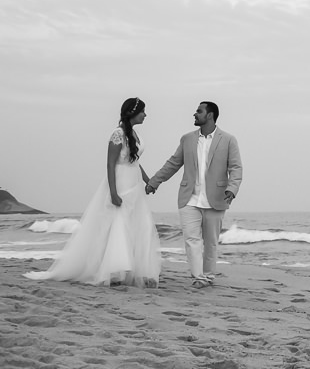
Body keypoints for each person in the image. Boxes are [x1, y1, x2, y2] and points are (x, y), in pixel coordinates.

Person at [25, 98, 161, 287]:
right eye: (143, 111)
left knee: (136, 224)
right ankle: (114, 270)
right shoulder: (118, 134)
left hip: (134, 184)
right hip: (120, 182)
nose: (145, 115)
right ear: (133, 112)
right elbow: (110, 164)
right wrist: (113, 192)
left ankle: (132, 269)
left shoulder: (134, 134)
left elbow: (135, 161)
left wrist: (149, 181)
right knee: (118, 224)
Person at [145, 101, 242, 289]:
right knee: (191, 240)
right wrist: (154, 181)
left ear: (210, 115)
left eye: (199, 111)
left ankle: (208, 276)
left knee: (211, 243)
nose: (195, 114)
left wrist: (232, 188)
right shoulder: (187, 139)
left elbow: (236, 167)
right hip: (189, 198)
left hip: (216, 198)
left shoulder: (229, 140)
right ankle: (198, 277)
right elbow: (173, 163)